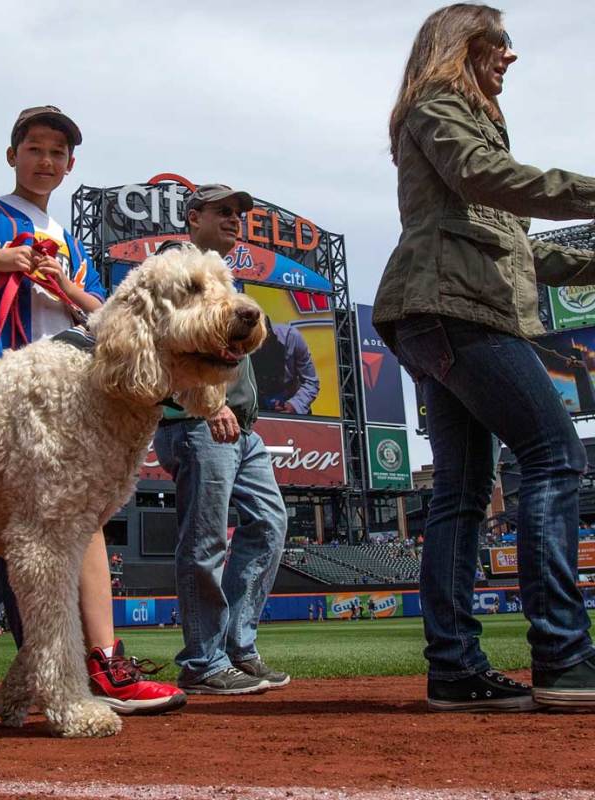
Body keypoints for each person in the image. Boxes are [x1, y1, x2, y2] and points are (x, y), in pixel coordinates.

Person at [0, 105, 186, 723]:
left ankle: (92, 657)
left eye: (57, 154)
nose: (45, 161)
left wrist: (70, 292)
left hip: (61, 395)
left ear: (70, 166)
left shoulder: (67, 239)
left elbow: (106, 314)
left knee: (82, 511)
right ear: (12, 154)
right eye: (35, 149)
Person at [374, 3, 595, 710]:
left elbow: (523, 252)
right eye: (499, 41)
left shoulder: (465, 120)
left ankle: (456, 672)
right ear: (461, 44)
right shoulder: (439, 104)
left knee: (462, 493)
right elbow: (480, 176)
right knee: (556, 457)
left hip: (446, 315)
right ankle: (564, 657)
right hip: (456, 314)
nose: (512, 55)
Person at [153, 184, 290, 696]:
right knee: (206, 541)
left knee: (270, 524)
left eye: (239, 214)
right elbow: (167, 339)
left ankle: (235, 645)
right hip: (198, 423)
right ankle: (203, 661)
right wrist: (209, 405)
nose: (235, 219)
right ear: (193, 217)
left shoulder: (222, 281)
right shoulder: (178, 264)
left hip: (243, 430)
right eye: (223, 211)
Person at [252, 320, 319, 414]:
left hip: (290, 401)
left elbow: (311, 382)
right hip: (256, 403)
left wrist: (295, 405)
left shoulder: (292, 337)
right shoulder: (237, 343)